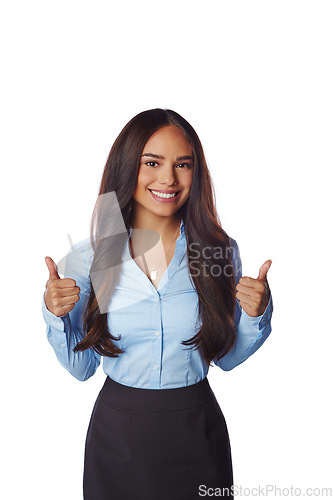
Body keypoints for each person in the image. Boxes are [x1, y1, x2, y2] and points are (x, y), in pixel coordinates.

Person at [42, 108, 273, 500]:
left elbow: (227, 359)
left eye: (183, 165)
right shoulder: (88, 258)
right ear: (128, 166)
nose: (168, 178)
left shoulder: (218, 252)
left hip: (197, 431)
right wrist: (56, 315)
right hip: (117, 435)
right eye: (153, 162)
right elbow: (81, 369)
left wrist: (254, 316)